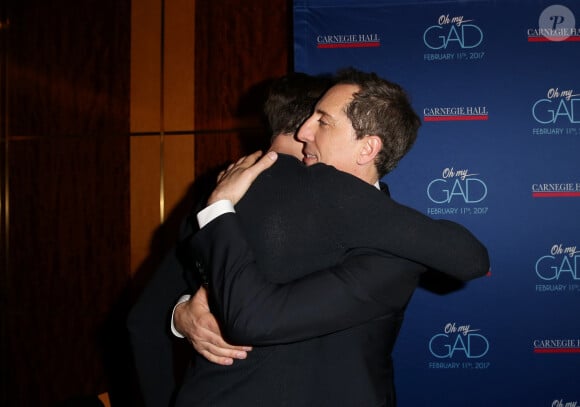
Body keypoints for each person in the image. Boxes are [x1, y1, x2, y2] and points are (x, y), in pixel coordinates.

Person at [173, 68, 489, 406]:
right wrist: (182, 313)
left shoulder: (396, 250)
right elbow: (179, 282)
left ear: (367, 148)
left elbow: (470, 258)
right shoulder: (253, 185)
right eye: (310, 116)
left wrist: (219, 209)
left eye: (322, 122)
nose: (303, 132)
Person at [126, 72, 334, 407]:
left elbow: (143, 320)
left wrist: (180, 312)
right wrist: (183, 313)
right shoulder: (339, 198)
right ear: (314, 123)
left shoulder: (215, 193)